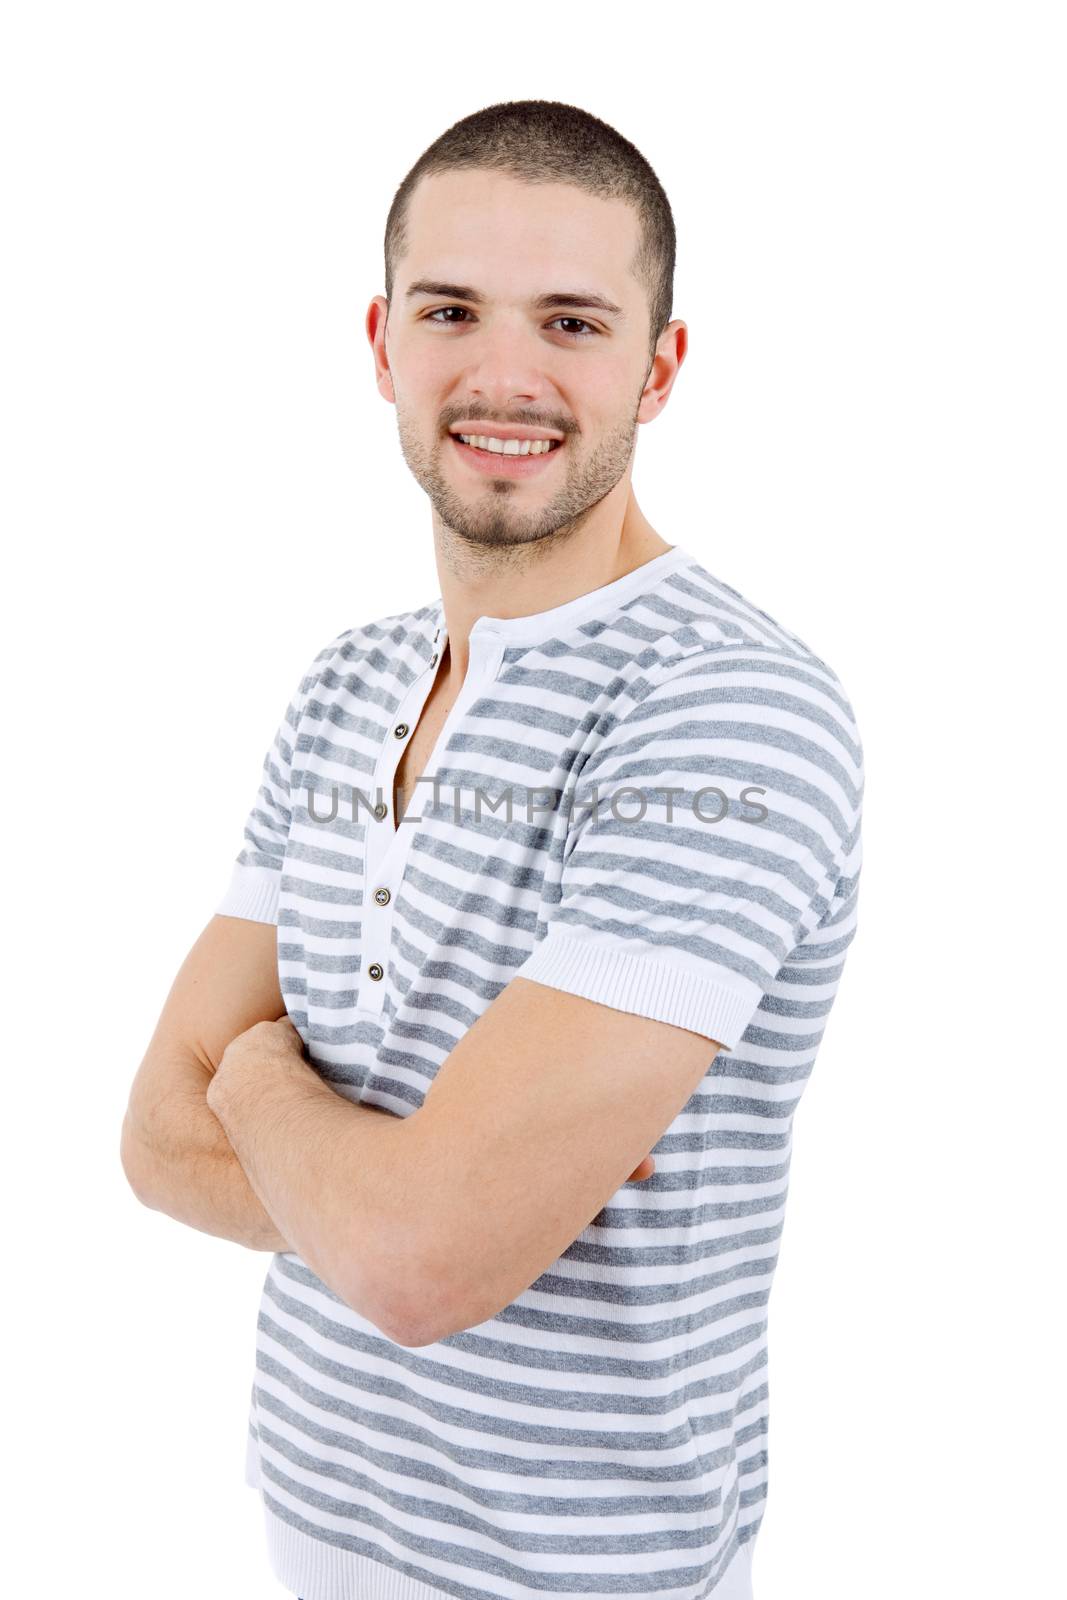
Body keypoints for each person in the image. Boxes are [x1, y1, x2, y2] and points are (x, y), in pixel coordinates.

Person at [120, 99, 863, 1600]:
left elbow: (423, 1265)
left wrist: (260, 1076)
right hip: (312, 1504)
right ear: (384, 344)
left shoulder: (729, 710)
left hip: (580, 1569)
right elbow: (152, 1142)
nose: (504, 374)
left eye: (574, 321)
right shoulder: (344, 684)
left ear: (658, 368)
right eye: (452, 310)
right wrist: (422, 1187)